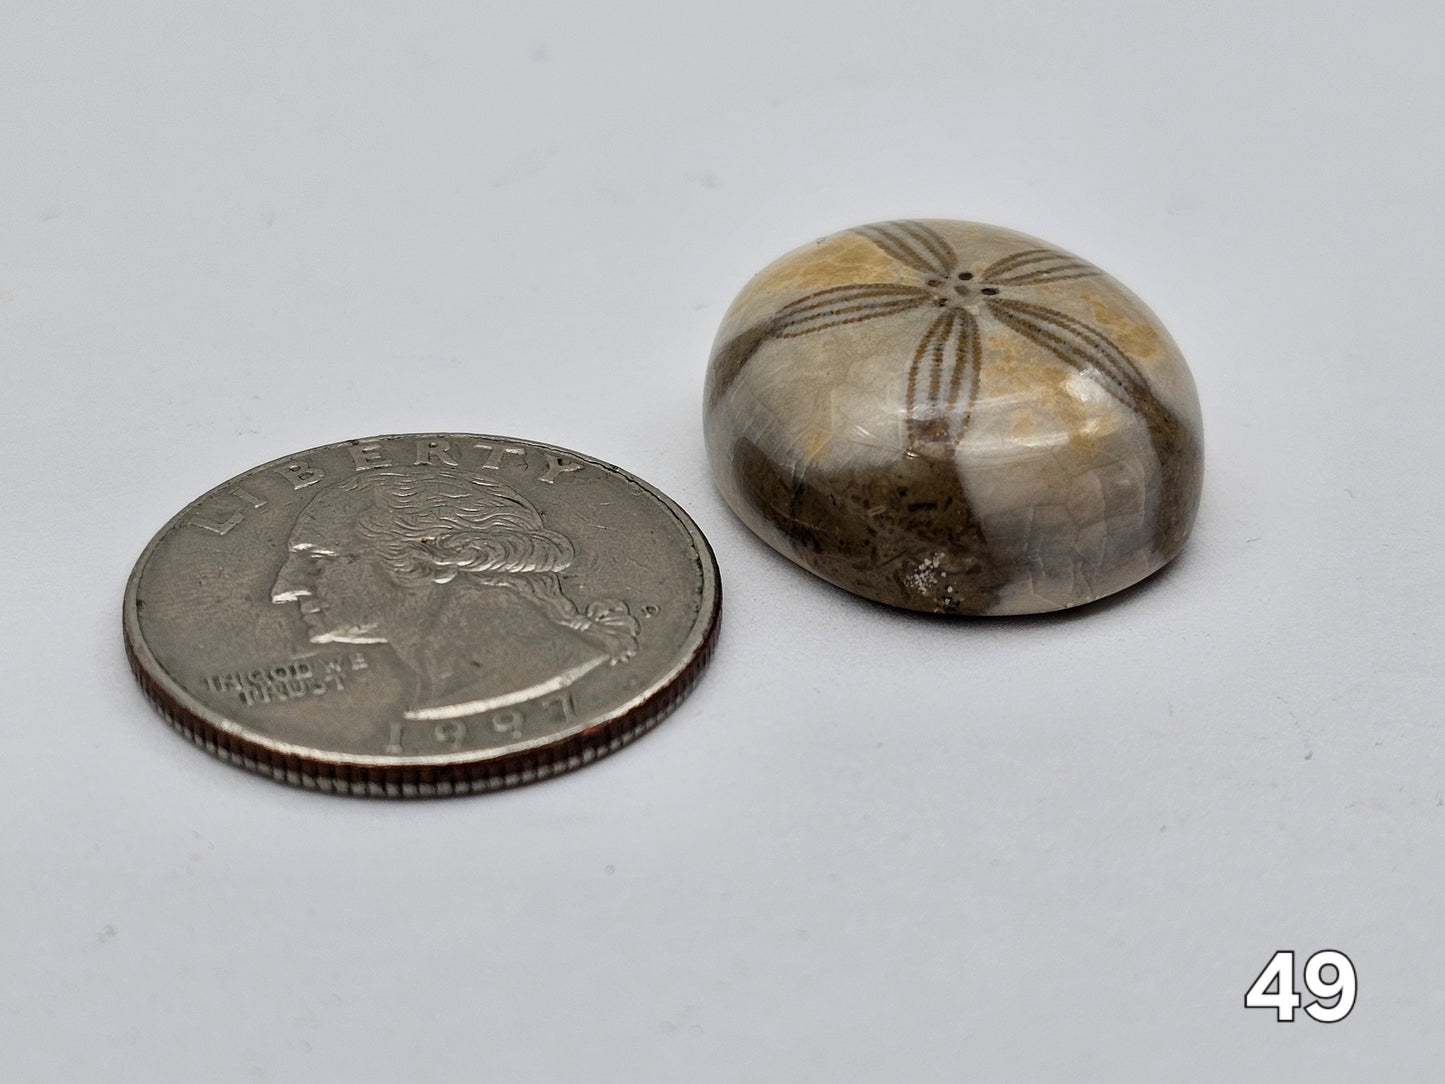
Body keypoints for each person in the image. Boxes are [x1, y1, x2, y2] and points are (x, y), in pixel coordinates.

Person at [269, 466, 639, 721]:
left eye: (318, 561)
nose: (283, 591)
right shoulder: (454, 687)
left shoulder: (528, 675)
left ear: (429, 559)